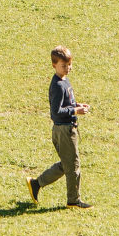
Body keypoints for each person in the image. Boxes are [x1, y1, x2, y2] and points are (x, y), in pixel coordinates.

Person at [27, 46, 91, 209]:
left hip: (67, 128)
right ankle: (73, 201)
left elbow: (66, 103)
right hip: (64, 130)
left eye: (69, 65)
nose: (68, 68)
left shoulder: (64, 80)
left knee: (66, 164)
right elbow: (56, 111)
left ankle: (36, 184)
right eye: (64, 65)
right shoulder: (57, 85)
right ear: (54, 65)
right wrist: (75, 111)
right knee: (73, 166)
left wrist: (77, 105)